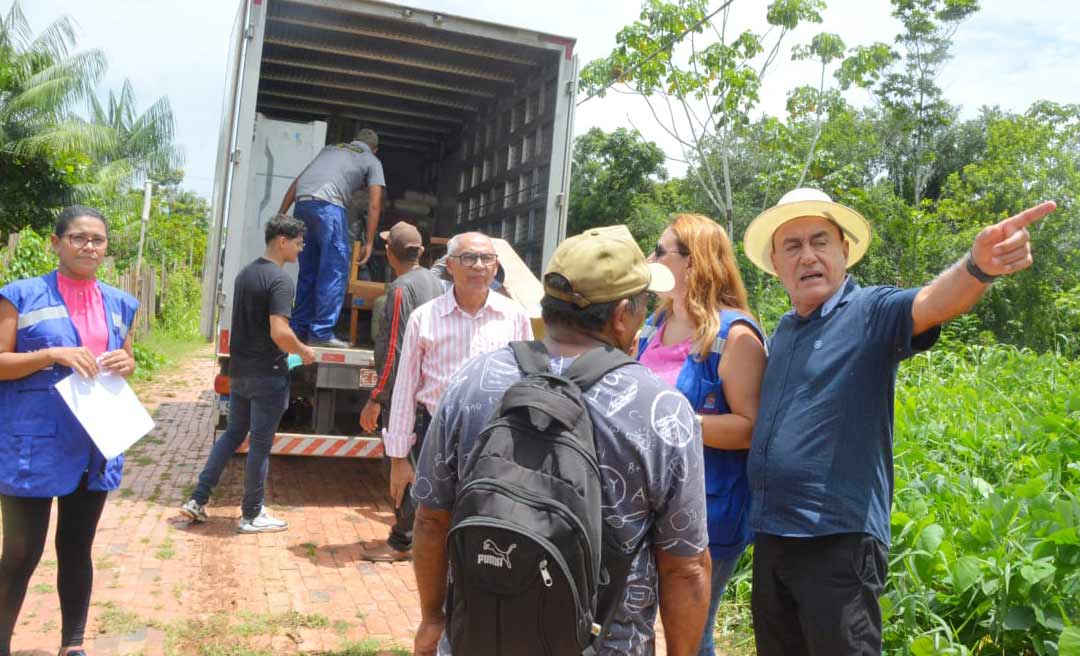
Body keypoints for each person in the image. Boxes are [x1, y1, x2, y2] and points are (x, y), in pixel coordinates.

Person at [742, 188, 1057, 655]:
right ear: (775, 261)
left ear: (843, 251)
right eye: (793, 246)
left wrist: (977, 267)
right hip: (773, 538)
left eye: (819, 241)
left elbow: (932, 302)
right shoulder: (786, 331)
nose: (807, 256)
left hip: (838, 541)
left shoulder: (870, 311)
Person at [411, 225, 712, 656]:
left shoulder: (473, 380)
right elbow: (685, 567)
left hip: (478, 638)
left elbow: (430, 519)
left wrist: (433, 619)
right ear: (622, 313)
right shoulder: (660, 408)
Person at [0, 205, 140, 656]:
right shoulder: (19, 296)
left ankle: (73, 645)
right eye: (78, 237)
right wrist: (50, 355)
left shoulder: (120, 303)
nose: (89, 246)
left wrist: (128, 362)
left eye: (97, 240)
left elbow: (124, 361)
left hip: (93, 442)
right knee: (21, 554)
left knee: (77, 547)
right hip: (33, 444)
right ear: (56, 243)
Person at [636, 214, 767, 655]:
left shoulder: (735, 335)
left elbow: (750, 429)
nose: (649, 259)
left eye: (659, 251)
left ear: (694, 262)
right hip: (647, 506)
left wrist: (677, 422)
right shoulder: (654, 324)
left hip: (707, 512)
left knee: (692, 635)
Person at [361, 232, 533, 562]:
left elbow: (527, 384)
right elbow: (405, 390)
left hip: (494, 436)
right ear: (450, 266)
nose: (478, 266)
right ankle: (434, 606)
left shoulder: (515, 317)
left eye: (486, 259)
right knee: (431, 521)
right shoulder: (425, 318)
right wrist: (398, 458)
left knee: (486, 521)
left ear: (496, 266)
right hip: (435, 431)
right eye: (468, 258)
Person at [180, 214, 316, 533]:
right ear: (282, 241)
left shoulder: (246, 273)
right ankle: (252, 514)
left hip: (241, 371)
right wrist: (303, 351)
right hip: (268, 375)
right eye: (298, 243)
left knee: (232, 435)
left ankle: (198, 500)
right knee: (259, 444)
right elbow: (279, 332)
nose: (301, 249)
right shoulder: (280, 280)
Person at [357, 222, 444, 560]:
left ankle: (402, 542)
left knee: (399, 468)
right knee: (425, 467)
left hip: (405, 396)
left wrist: (376, 398)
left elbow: (393, 347)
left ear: (389, 253)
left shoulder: (399, 289)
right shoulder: (438, 284)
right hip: (430, 392)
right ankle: (423, 539)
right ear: (420, 253)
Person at [278, 128, 385, 347]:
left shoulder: (329, 150)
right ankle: (321, 332)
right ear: (375, 149)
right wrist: (370, 242)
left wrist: (281, 215)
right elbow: (375, 203)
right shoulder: (371, 160)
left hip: (303, 205)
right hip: (329, 207)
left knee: (308, 271)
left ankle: (299, 329)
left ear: (353, 140)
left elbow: (298, 182)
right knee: (334, 270)